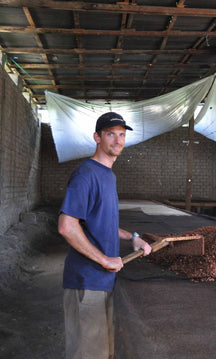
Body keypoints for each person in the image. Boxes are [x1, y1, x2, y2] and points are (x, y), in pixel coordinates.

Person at [58, 112, 152, 359]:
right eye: (111, 134)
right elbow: (67, 226)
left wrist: (133, 237)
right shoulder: (86, 174)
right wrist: (104, 260)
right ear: (97, 137)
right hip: (87, 283)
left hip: (103, 283)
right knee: (87, 353)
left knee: (102, 352)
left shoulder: (108, 176)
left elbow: (102, 223)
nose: (118, 140)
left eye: (122, 135)